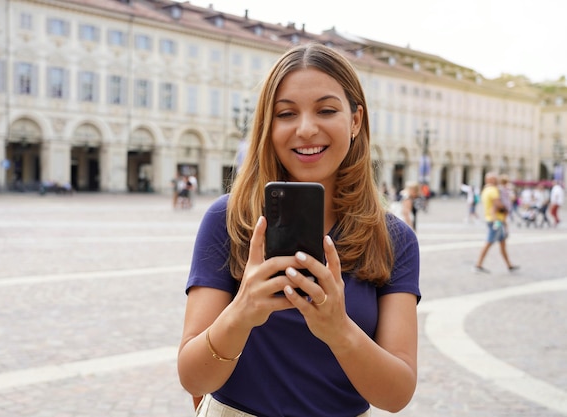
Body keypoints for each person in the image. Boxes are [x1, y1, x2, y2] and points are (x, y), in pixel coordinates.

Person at [178, 43, 421, 417]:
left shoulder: (393, 239)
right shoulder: (229, 220)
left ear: (356, 120)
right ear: (267, 125)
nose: (306, 129)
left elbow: (396, 395)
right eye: (286, 114)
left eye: (326, 110)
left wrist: (339, 329)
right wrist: (240, 314)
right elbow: (193, 378)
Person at [474, 171, 519, 273]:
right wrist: (506, 207)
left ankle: (509, 265)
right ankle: (478, 265)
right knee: (488, 243)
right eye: (495, 179)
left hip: (495, 219)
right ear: (490, 180)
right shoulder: (493, 190)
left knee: (502, 243)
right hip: (495, 221)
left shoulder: (485, 190)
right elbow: (498, 204)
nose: (497, 180)